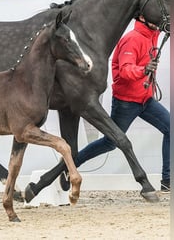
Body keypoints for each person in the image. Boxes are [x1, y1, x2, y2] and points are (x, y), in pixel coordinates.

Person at [61, 15, 170, 193]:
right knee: (109, 143)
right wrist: (143, 70)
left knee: (170, 128)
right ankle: (69, 165)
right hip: (126, 102)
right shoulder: (132, 39)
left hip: (146, 99)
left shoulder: (152, 35)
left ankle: (168, 180)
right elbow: (126, 70)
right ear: (142, 18)